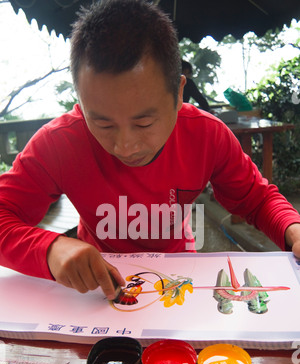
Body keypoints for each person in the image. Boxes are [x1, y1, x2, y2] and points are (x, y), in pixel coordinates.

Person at [0, 0, 300, 301]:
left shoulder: (206, 135)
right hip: (98, 287)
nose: (125, 146)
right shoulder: (59, 142)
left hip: (178, 278)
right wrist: (50, 249)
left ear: (179, 93)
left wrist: (292, 229)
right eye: (102, 124)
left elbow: (257, 199)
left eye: (144, 122)